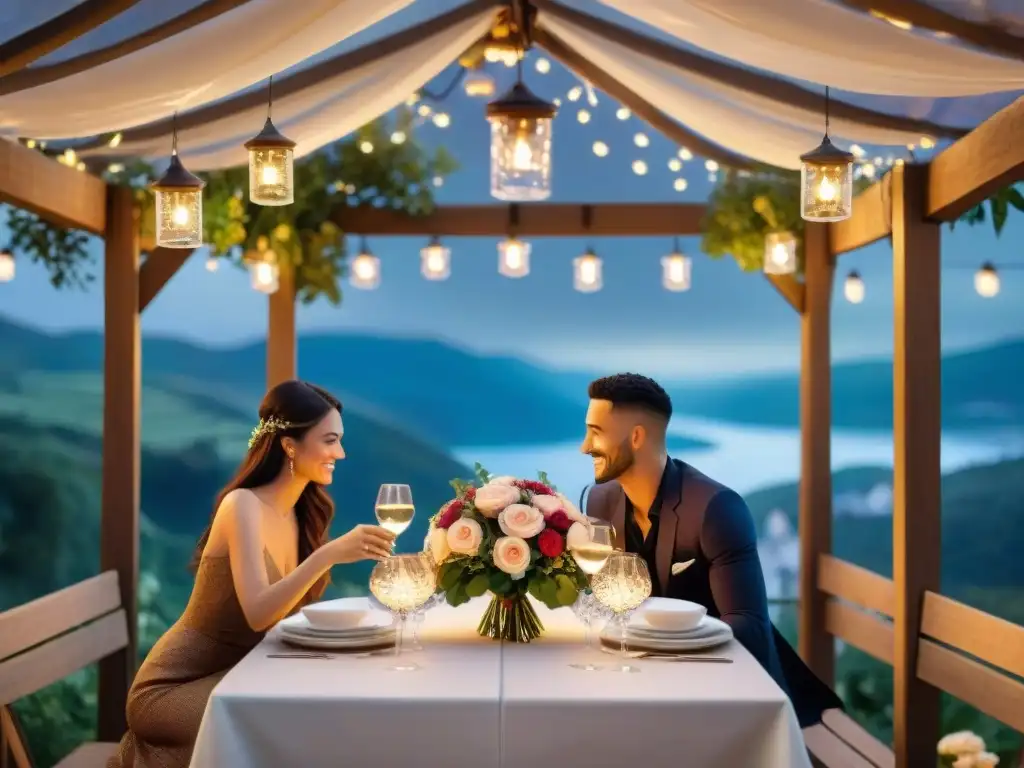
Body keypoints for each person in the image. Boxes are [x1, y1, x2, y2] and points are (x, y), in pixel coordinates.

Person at [108, 380, 395, 767]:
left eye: (340, 441)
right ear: (290, 445)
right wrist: (329, 555)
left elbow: (283, 620)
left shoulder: (301, 514)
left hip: (239, 677)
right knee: (286, 728)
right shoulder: (241, 505)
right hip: (174, 688)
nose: (340, 453)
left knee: (331, 710)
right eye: (329, 440)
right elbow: (258, 612)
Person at [578, 373, 842, 728]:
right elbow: (605, 597)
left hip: (733, 698)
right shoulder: (600, 498)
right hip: (637, 683)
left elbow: (747, 626)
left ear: (636, 437)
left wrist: (656, 647)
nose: (584, 446)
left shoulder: (715, 509)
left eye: (596, 432)